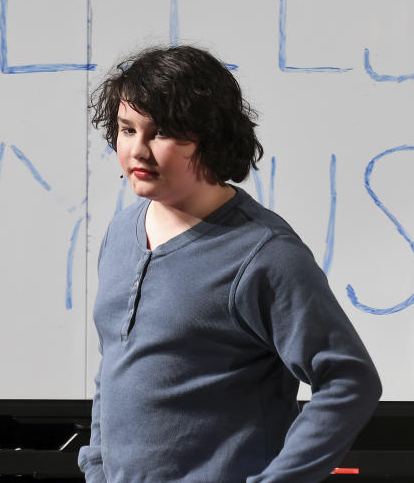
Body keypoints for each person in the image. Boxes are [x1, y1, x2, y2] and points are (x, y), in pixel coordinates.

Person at [78, 45, 382, 483]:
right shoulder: (121, 232)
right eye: (127, 129)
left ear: (209, 136)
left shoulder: (264, 253)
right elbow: (114, 363)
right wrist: (97, 467)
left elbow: (350, 380)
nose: (137, 151)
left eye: (161, 132)